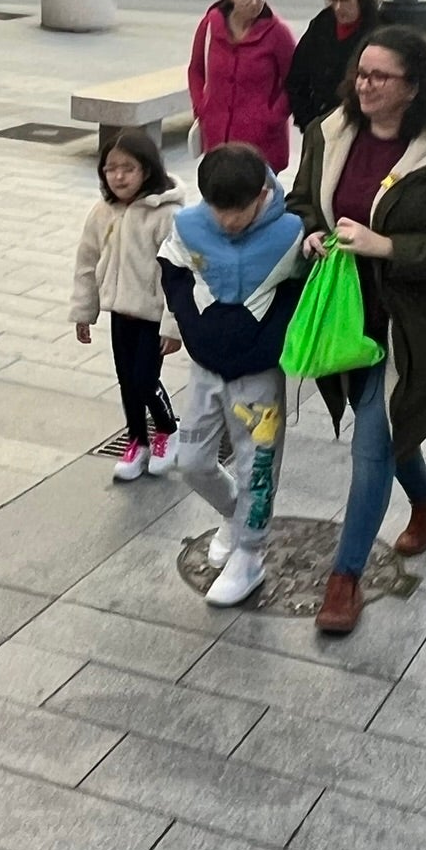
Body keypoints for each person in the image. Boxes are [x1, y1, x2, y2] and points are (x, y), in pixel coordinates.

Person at [289, 27, 426, 634]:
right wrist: (310, 233)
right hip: (343, 314)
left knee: (371, 443)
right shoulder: (329, 134)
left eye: (380, 77)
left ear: (414, 87)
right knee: (390, 430)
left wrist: (386, 245)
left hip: (408, 328)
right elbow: (300, 201)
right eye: (361, 74)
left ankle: (344, 578)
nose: (365, 85)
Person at [157, 143, 306, 606]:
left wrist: (274, 340)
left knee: (257, 465)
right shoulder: (190, 225)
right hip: (206, 365)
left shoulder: (290, 233)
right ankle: (236, 515)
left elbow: (301, 288)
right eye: (217, 209)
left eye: (236, 211)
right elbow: (172, 267)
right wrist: (190, 327)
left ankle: (250, 553)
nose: (226, 221)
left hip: (258, 373)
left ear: (262, 194)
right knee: (193, 461)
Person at [72, 129, 185, 482]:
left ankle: (167, 429)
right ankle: (137, 439)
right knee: (126, 382)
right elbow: (86, 262)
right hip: (120, 314)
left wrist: (173, 324)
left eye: (128, 168)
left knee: (144, 379)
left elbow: (180, 273)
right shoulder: (103, 212)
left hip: (152, 316)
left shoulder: (166, 215)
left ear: (147, 170)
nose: (118, 176)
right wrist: (84, 311)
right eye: (110, 169)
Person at [187, 0, 297, 171]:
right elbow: (195, 70)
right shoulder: (210, 24)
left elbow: (295, 80)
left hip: (261, 140)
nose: (253, 2)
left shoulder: (278, 33)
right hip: (217, 135)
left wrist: (272, 116)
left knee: (257, 198)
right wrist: (201, 107)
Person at [286, 0, 380, 134]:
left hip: (361, 128)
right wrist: (307, 120)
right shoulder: (322, 24)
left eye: (345, 0)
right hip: (320, 123)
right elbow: (297, 76)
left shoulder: (378, 30)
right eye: (333, 0)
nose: (338, 7)